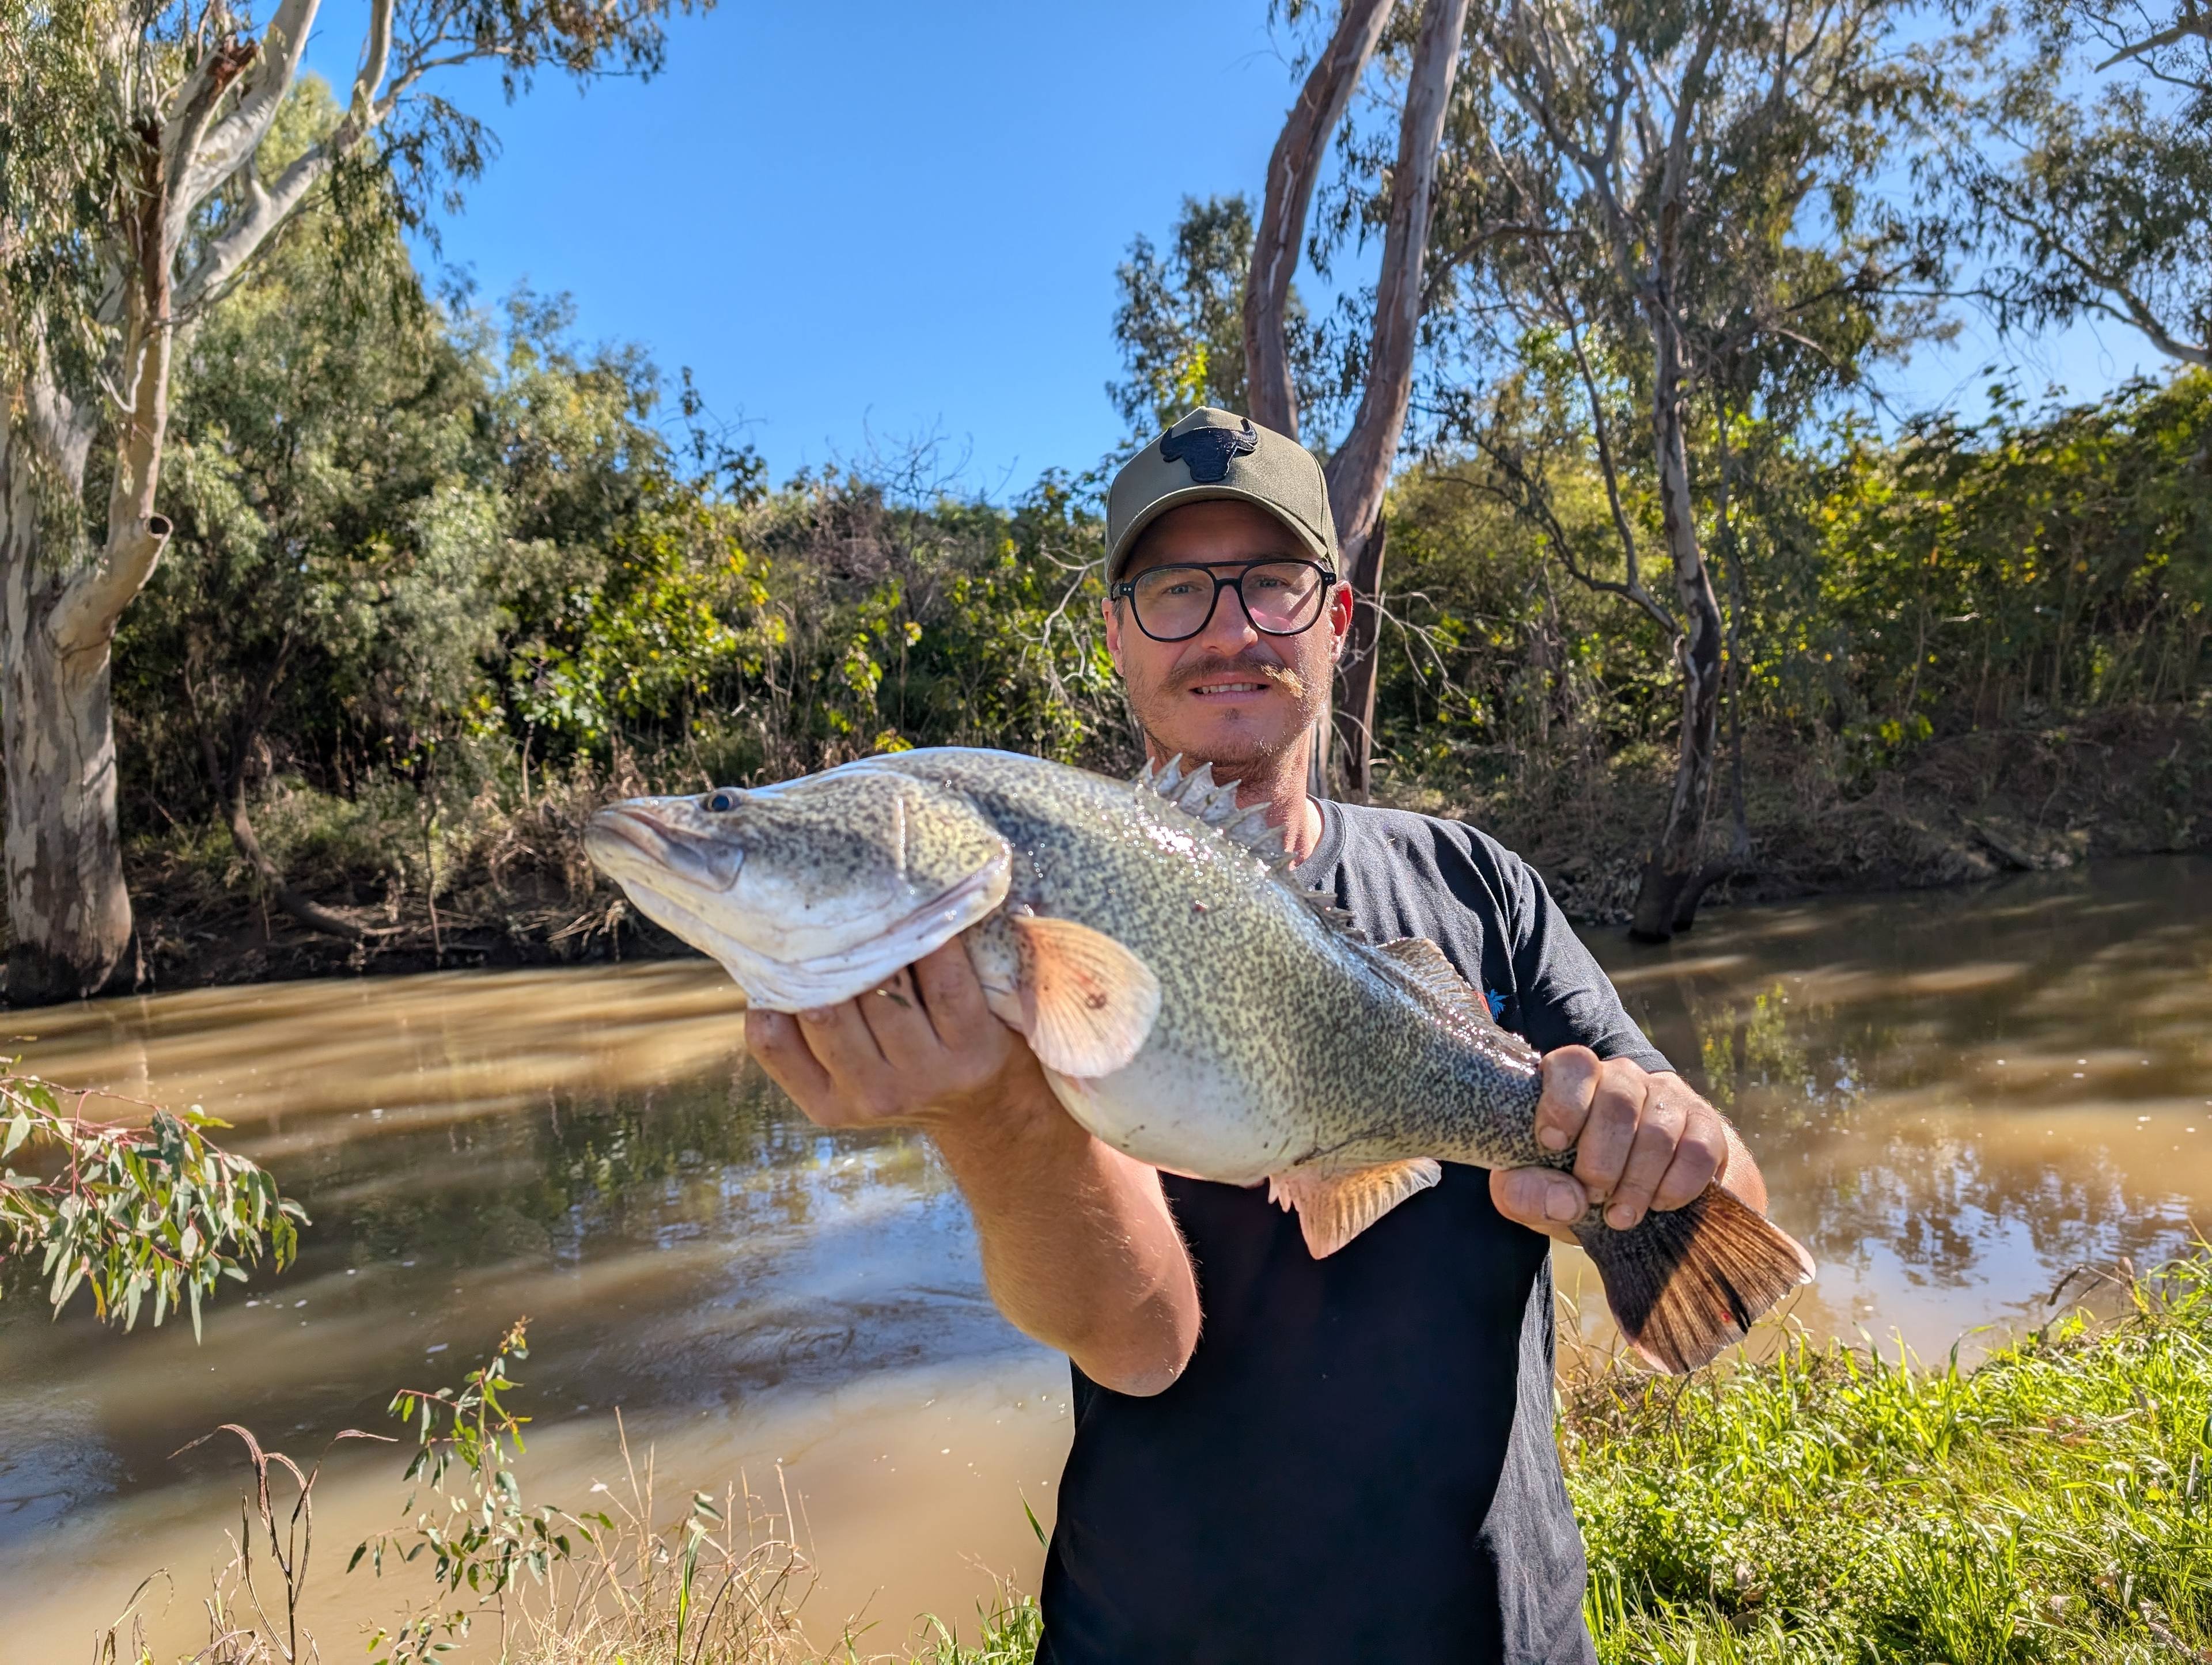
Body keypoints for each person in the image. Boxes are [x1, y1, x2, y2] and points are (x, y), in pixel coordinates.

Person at [745, 408, 1774, 1664]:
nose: (1229, 628)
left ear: (1335, 620)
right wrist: (991, 1110)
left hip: (1494, 1633)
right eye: (1176, 590)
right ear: (1118, 634)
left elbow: (1727, 1195)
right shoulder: (1030, 918)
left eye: (1273, 585)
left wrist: (1666, 1161)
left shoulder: (1481, 888)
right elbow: (1143, 1341)